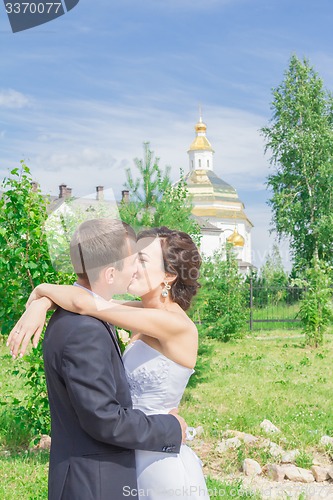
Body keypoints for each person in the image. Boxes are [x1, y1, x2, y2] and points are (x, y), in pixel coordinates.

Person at [8, 224, 210, 499]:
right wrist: (42, 303)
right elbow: (84, 299)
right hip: (125, 451)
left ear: (169, 276)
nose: (132, 266)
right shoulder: (137, 312)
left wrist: (42, 291)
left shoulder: (173, 324)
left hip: (156, 456)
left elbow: (88, 305)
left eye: (142, 259)